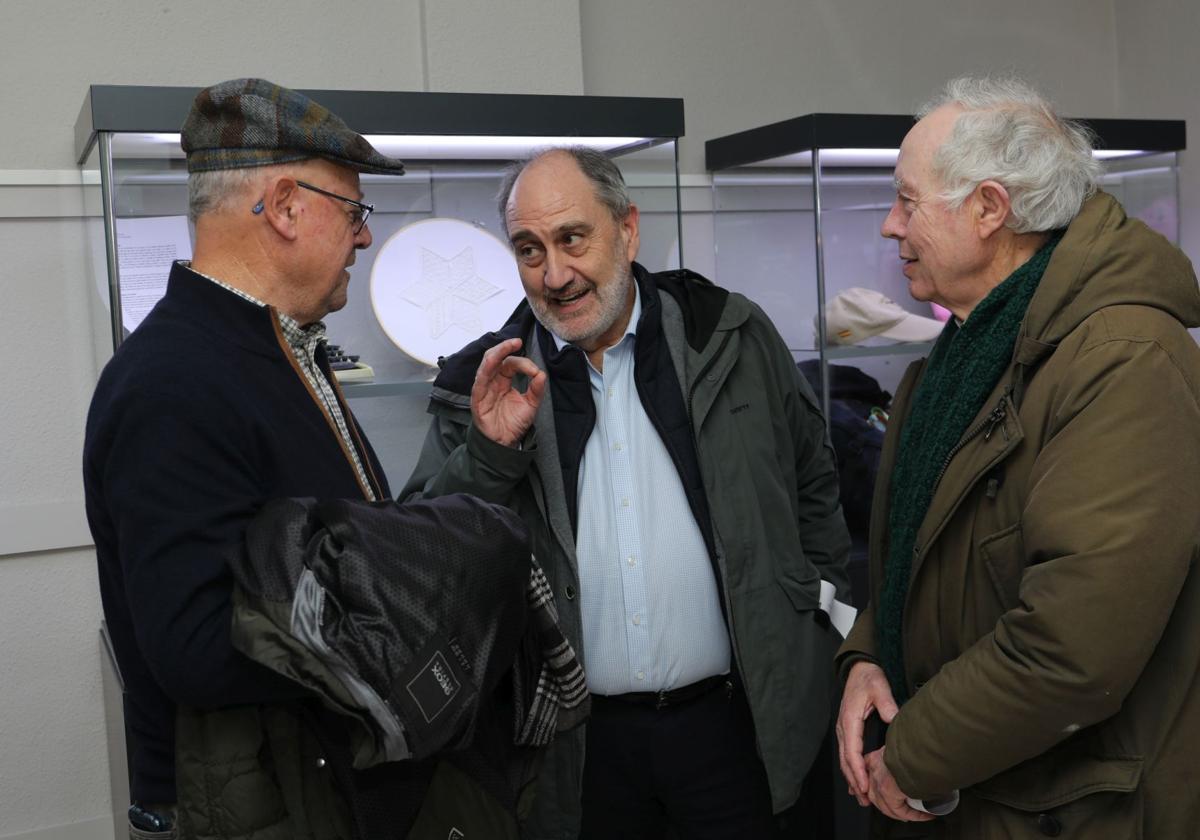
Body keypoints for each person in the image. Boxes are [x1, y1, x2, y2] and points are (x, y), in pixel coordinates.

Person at [403, 146, 854, 839]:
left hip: (736, 726)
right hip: (577, 750)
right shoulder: (485, 384)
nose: (555, 275)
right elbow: (426, 565)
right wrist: (491, 454)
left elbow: (813, 480)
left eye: (572, 238)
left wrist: (811, 616)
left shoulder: (727, 334)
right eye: (529, 249)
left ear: (628, 229)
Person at [835, 75, 1200, 838]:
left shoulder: (1122, 360)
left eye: (907, 201)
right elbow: (918, 553)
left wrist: (916, 752)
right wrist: (869, 653)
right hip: (972, 795)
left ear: (990, 209)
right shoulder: (963, 353)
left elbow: (1075, 646)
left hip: (1067, 811)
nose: (888, 228)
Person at [84, 78, 414, 838]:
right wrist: (399, 602)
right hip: (266, 806)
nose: (364, 237)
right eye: (354, 210)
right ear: (287, 206)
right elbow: (197, 648)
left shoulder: (265, 348)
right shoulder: (174, 382)